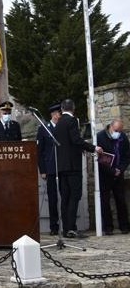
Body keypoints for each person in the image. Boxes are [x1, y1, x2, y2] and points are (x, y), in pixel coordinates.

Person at [53, 98, 103, 239]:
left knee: (65, 198)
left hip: (62, 166)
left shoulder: (58, 123)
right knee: (74, 197)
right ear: (73, 109)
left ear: (62, 109)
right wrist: (93, 147)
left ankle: (66, 229)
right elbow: (76, 140)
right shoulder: (72, 121)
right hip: (73, 166)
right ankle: (71, 229)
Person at [96, 119, 130, 235]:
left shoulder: (123, 137)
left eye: (120, 131)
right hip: (105, 174)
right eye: (116, 130)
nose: (118, 133)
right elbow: (99, 159)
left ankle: (124, 226)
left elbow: (126, 155)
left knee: (121, 200)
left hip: (118, 173)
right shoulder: (100, 137)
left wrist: (120, 169)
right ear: (110, 127)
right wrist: (111, 171)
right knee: (105, 201)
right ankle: (108, 227)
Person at [37, 103, 62, 236]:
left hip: (62, 167)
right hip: (50, 168)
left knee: (65, 196)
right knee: (52, 199)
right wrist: (42, 169)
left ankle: (68, 225)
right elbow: (39, 151)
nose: (59, 116)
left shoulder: (62, 127)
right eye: (58, 113)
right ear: (53, 115)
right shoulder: (44, 129)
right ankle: (54, 226)